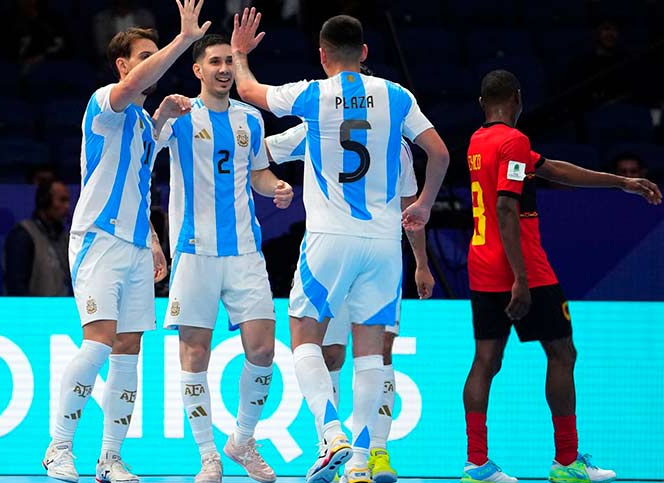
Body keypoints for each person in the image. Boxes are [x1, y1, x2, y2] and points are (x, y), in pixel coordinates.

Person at [231, 10, 450, 483]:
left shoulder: (314, 94)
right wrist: (427, 204)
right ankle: (358, 461)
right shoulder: (397, 96)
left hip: (330, 238)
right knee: (372, 353)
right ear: (365, 53)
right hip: (384, 244)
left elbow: (248, 93)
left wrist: (242, 55)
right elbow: (441, 152)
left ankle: (331, 433)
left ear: (323, 55)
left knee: (304, 335)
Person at [462, 69, 661, 483]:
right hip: (525, 269)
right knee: (562, 353)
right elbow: (505, 207)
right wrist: (520, 277)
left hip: (481, 266)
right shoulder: (514, 141)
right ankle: (567, 462)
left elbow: (552, 169)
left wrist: (621, 182)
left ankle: (476, 463)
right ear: (518, 98)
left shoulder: (479, 142)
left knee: (485, 361)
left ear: (484, 103)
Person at [42, 2, 211, 482]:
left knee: (128, 350)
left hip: (136, 247)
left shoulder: (138, 123)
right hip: (98, 240)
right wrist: (182, 42)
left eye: (155, 54)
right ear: (123, 65)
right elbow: (133, 88)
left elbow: (139, 180)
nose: (151, 63)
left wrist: (153, 242)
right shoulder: (104, 103)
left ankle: (110, 458)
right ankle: (57, 448)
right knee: (97, 343)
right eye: (144, 55)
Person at [154, 33, 294, 483]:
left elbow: (257, 173)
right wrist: (159, 115)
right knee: (194, 353)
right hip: (194, 252)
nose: (224, 69)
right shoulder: (180, 115)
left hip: (244, 251)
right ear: (198, 70)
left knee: (263, 347)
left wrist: (277, 187)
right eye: (214, 61)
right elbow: (141, 152)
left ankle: (242, 441)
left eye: (229, 62)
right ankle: (208, 456)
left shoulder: (251, 119)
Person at [265, 122, 435, 483]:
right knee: (335, 353)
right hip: (359, 256)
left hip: (352, 257)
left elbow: (410, 209)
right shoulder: (321, 122)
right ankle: (338, 450)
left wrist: (421, 262)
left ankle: (371, 452)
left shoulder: (397, 146)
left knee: (375, 351)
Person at [3, 178, 72, 296]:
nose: (67, 206)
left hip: (61, 311)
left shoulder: (64, 238)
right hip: (33, 312)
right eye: (62, 200)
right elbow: (16, 285)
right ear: (44, 201)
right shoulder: (24, 235)